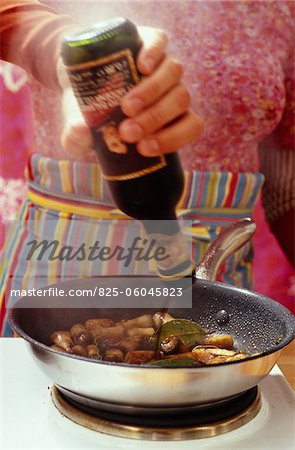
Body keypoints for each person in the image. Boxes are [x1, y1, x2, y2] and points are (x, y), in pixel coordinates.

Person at [0, 0, 294, 336]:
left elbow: (287, 169)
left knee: (210, 370)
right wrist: (68, 54)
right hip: (65, 263)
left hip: (215, 277)